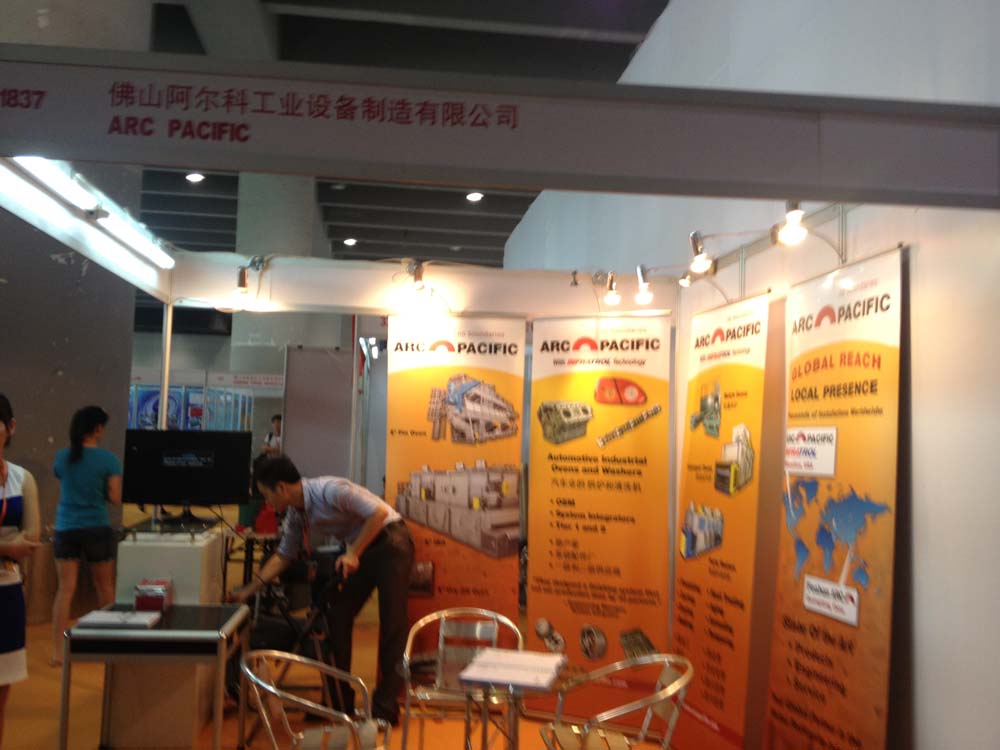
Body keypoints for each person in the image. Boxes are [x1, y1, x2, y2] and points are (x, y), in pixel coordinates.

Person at [232, 454, 413, 725]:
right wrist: (249, 589)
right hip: (361, 549)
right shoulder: (296, 514)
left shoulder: (330, 490)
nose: (267, 503)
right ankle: (338, 702)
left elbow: (379, 513)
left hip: (392, 543)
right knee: (335, 616)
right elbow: (284, 555)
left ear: (281, 488)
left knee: (393, 624)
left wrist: (353, 553)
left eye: (266, 495)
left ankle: (385, 709)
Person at [51, 406, 122, 665]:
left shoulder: (62, 457)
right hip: (96, 527)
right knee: (105, 588)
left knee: (65, 590)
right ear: (97, 429)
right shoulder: (109, 460)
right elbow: (115, 497)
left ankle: (58, 652)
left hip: (66, 527)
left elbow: (65, 481)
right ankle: (110, 647)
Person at [0, 394, 41, 746]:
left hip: (8, 592)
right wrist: (5, 547)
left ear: (10, 427)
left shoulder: (21, 478)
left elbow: (31, 537)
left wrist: (13, 548)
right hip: (8, 570)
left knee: (1, 693)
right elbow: (16, 544)